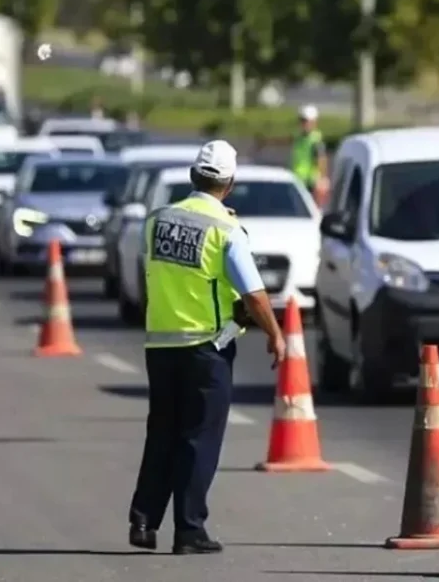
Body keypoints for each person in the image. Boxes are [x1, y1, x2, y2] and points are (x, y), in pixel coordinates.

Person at [128, 139, 286, 554]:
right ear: (229, 184)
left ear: (192, 176)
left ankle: (143, 521)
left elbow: (156, 278)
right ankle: (188, 529)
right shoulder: (225, 230)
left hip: (159, 345)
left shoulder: (157, 221)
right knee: (199, 438)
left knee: (161, 431)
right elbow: (253, 294)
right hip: (205, 347)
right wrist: (276, 334)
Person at [291, 104, 329, 203]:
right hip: (297, 179)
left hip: (311, 183)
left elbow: (321, 159)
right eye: (302, 121)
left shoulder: (316, 140)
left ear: (314, 122)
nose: (304, 124)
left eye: (307, 121)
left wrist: (322, 179)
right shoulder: (299, 137)